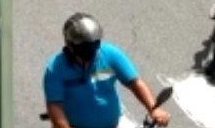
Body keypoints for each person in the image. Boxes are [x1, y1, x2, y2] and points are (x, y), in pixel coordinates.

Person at [43, 13, 171, 128]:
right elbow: (54, 106)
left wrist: (154, 109)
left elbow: (135, 83)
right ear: (70, 45)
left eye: (94, 46)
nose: (90, 56)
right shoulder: (55, 69)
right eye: (83, 50)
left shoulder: (110, 55)